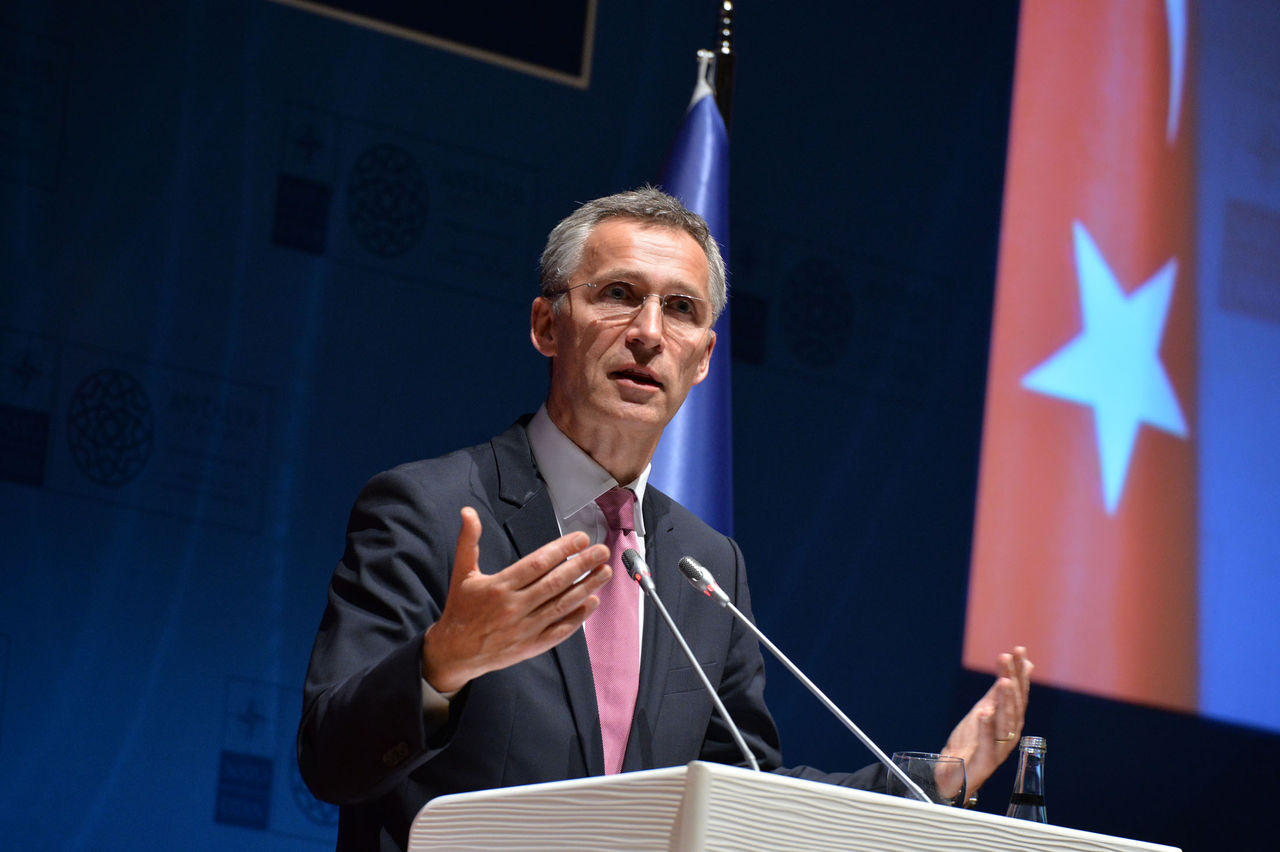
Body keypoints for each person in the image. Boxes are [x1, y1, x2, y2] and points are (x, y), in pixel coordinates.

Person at [297, 187, 1033, 851]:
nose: (649, 332)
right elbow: (330, 757)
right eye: (618, 294)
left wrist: (930, 782)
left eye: (681, 309)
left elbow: (742, 800)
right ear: (546, 325)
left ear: (705, 357)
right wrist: (442, 663)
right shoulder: (429, 509)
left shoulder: (707, 567)